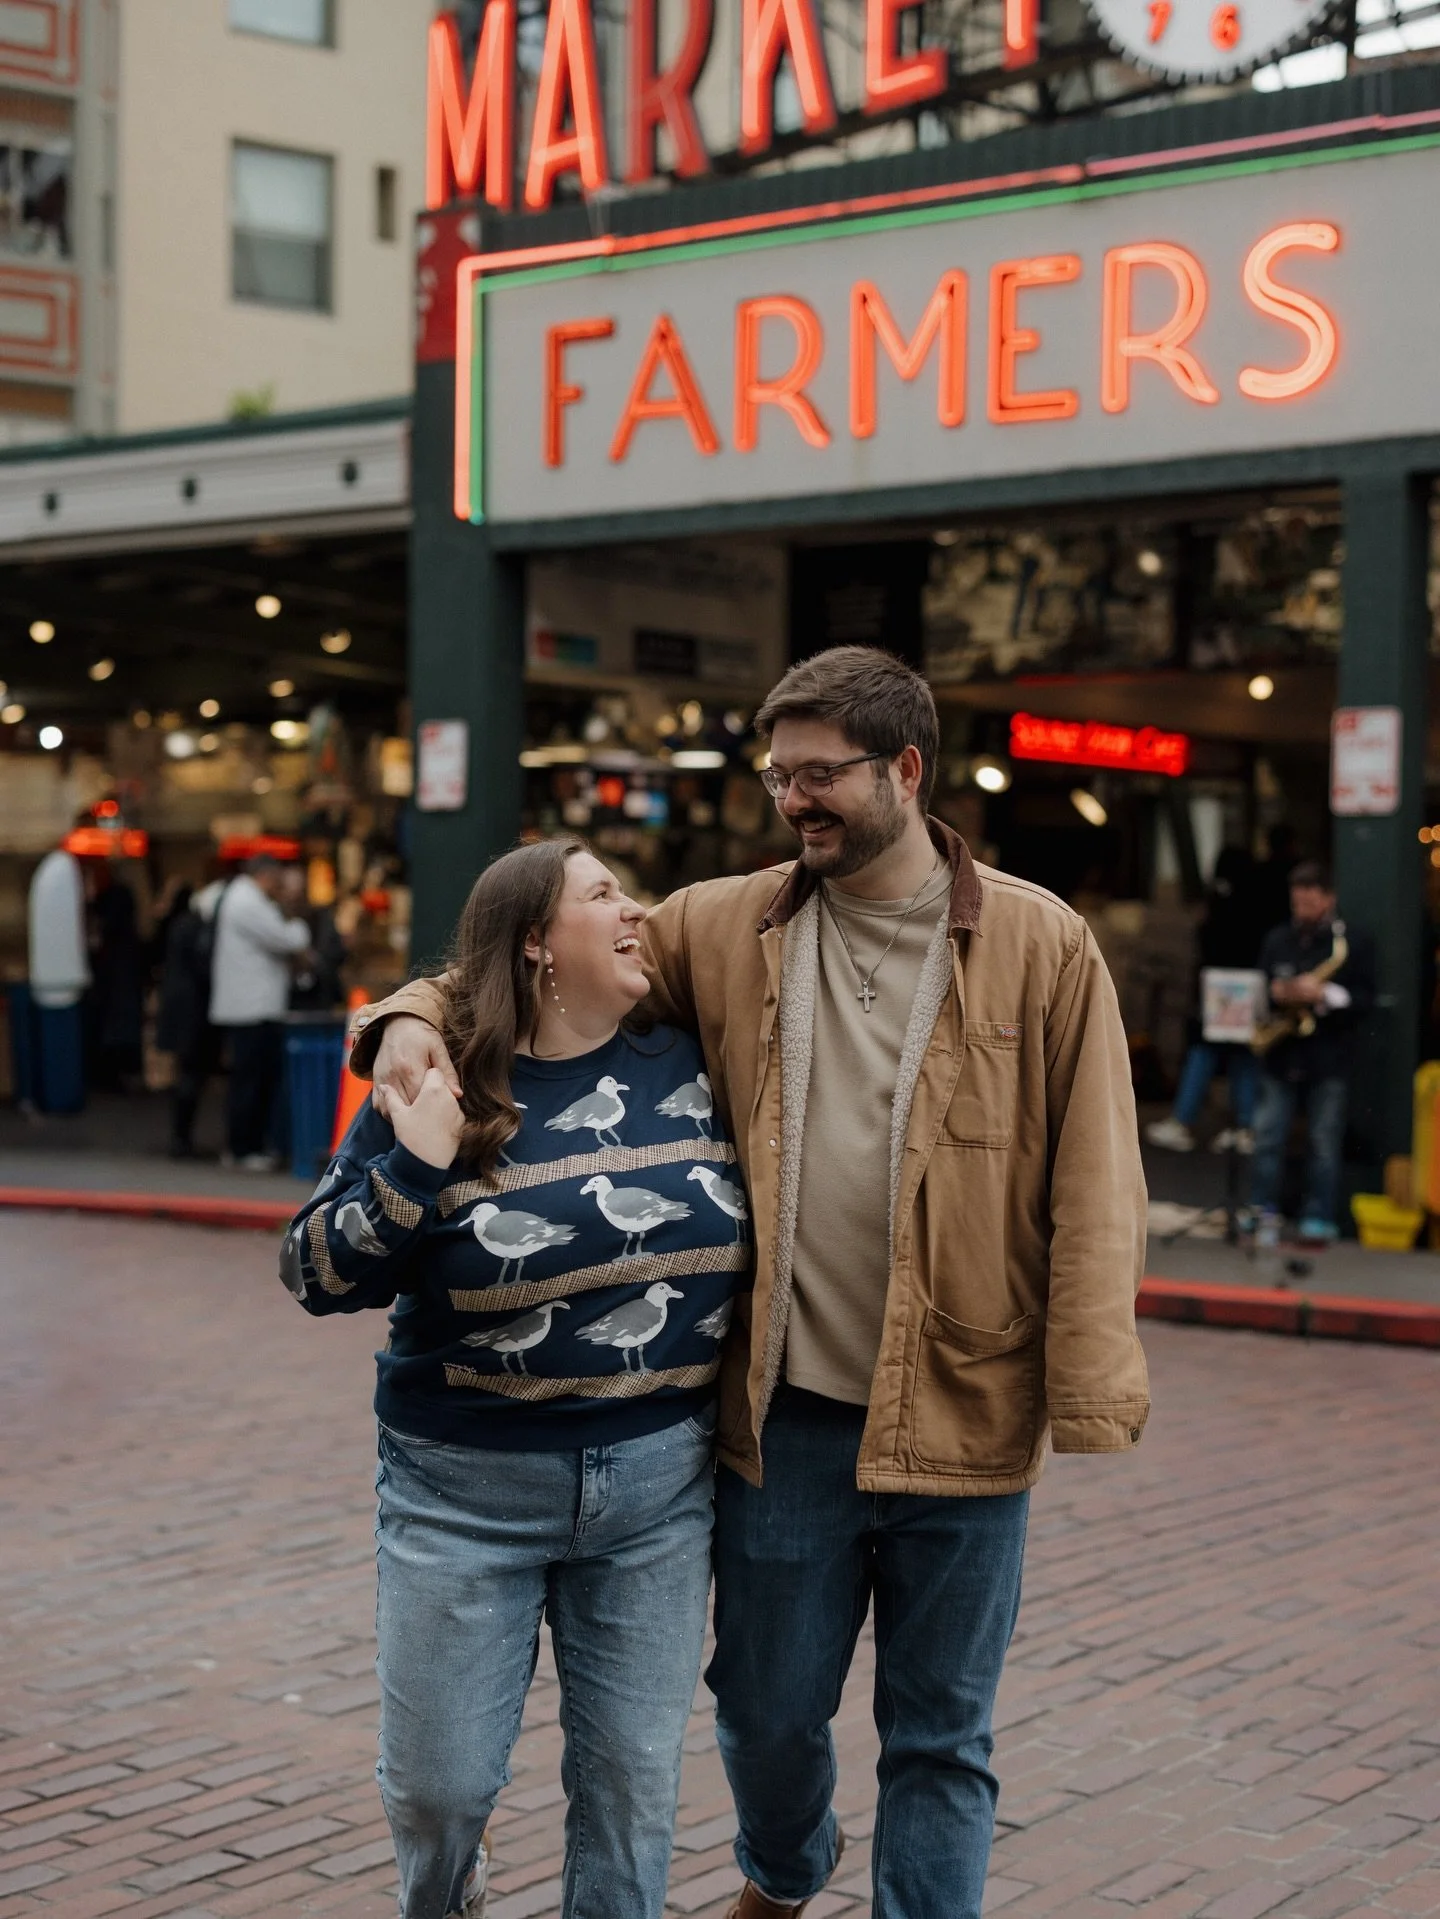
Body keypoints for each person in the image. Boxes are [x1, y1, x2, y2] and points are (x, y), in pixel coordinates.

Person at [354, 645, 1150, 1919]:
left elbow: (1099, 1178)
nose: (795, 799)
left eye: (822, 774)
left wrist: (1088, 1386)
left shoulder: (1041, 939)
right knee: (768, 1713)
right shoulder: (729, 922)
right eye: (780, 775)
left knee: (943, 1735)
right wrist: (402, 1016)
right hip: (785, 1422)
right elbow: (534, 956)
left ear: (905, 769)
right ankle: (782, 1870)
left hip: (967, 1407)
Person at [282, 839, 746, 1919]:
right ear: (538, 941)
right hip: (462, 1493)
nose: (636, 911)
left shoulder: (694, 1057)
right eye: (602, 895)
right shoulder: (442, 1078)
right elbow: (311, 1269)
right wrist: (414, 1163)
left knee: (632, 1787)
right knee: (442, 1790)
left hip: (654, 1490)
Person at [1250, 860, 1374, 1245]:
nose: (1301, 908)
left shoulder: (1351, 942)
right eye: (1296, 901)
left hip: (1327, 1056)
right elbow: (1260, 986)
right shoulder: (1277, 939)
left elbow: (1366, 998)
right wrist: (1280, 992)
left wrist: (1325, 995)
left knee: (1323, 1140)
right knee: (1268, 1136)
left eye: (1309, 900)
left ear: (1328, 899)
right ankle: (1262, 1210)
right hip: (1282, 1054)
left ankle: (1318, 1216)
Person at [1145, 844, 1267, 1155]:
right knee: (1243, 1055)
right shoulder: (1256, 897)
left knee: (1204, 1051)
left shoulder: (1220, 901)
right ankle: (1245, 1126)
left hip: (1219, 986)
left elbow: (1207, 942)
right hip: (1248, 983)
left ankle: (1183, 1121)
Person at [209, 854, 311, 1170]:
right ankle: (242, 1148)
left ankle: (246, 1146)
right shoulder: (247, 903)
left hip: (251, 1007)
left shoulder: (242, 898)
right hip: (251, 1009)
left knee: (251, 1080)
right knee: (250, 1082)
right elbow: (288, 938)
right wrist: (297, 921)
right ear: (265, 875)